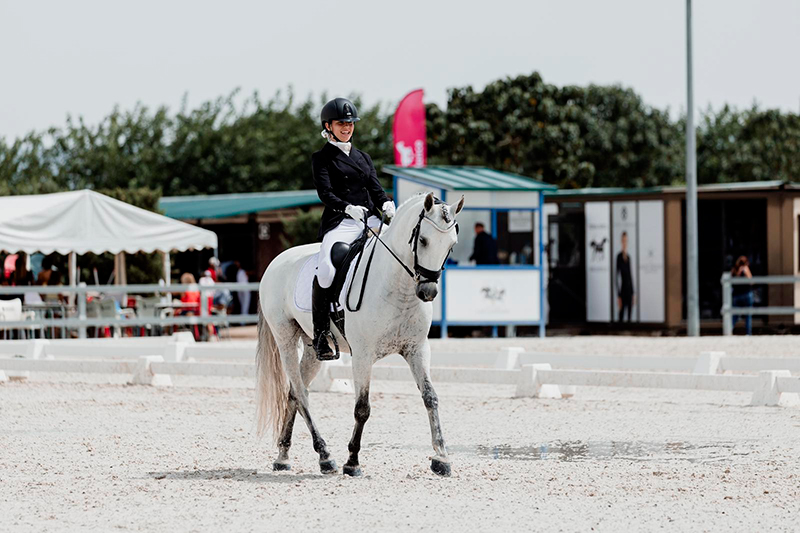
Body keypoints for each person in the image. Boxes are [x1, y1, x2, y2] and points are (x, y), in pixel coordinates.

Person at [310, 97, 395, 360]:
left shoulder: (363, 157)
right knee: (326, 270)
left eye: (350, 123)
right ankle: (321, 333)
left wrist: (387, 203)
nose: (347, 127)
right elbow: (325, 193)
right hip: (342, 222)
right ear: (329, 125)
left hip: (370, 220)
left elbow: (375, 188)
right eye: (341, 123)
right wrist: (347, 207)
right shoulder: (322, 158)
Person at [731, 255, 753, 335]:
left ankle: (729, 330)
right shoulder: (745, 269)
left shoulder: (734, 270)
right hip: (746, 294)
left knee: (734, 315)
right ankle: (748, 333)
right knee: (748, 316)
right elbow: (751, 281)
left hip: (736, 296)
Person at [615, 231, 635, 322]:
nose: (624, 242)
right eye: (623, 240)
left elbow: (630, 275)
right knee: (621, 314)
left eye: (626, 240)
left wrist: (633, 293)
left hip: (629, 290)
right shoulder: (619, 257)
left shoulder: (629, 257)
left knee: (629, 316)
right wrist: (618, 295)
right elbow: (616, 276)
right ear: (621, 241)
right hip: (622, 290)